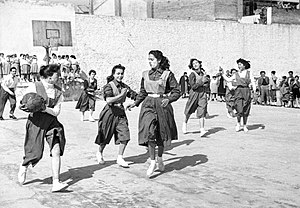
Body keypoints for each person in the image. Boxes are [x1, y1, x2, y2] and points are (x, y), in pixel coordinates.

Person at [127, 50, 180, 177]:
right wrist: (135, 103)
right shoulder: (145, 74)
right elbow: (142, 92)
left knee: (160, 134)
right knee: (149, 133)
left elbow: (177, 91)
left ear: (159, 60)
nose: (149, 62)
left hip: (162, 104)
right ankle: (152, 162)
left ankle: (160, 158)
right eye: (148, 59)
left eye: (152, 59)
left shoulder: (168, 74)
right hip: (148, 105)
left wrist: (169, 99)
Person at [17, 64, 67, 192]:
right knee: (35, 153)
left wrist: (45, 109)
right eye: (57, 74)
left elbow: (56, 112)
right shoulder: (34, 86)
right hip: (36, 122)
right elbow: (22, 102)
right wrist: (25, 106)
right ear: (49, 76)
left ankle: (56, 182)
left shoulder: (58, 92)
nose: (59, 76)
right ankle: (24, 166)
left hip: (51, 122)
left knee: (56, 149)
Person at [95, 64, 137, 167]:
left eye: (122, 74)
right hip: (109, 112)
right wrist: (121, 95)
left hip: (120, 112)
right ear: (113, 74)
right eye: (118, 73)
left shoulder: (124, 87)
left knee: (125, 135)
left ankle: (120, 157)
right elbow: (108, 100)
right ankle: (99, 152)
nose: (120, 76)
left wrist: (144, 97)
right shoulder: (109, 86)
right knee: (105, 135)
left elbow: (135, 95)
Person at [222, 58, 256, 132]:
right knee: (239, 109)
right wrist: (223, 73)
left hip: (246, 91)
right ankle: (238, 123)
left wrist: (254, 90)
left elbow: (253, 82)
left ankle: (244, 125)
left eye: (240, 64)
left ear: (244, 65)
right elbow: (229, 79)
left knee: (246, 109)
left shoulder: (249, 73)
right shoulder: (236, 74)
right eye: (238, 64)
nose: (238, 66)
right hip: (238, 91)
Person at [182, 58, 209, 136]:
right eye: (193, 64)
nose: (195, 64)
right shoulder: (192, 74)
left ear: (200, 63)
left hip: (202, 93)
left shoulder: (203, 73)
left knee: (202, 110)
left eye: (196, 63)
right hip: (194, 94)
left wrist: (206, 83)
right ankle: (185, 123)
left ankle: (202, 129)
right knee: (189, 110)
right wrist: (202, 82)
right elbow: (193, 86)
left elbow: (206, 83)